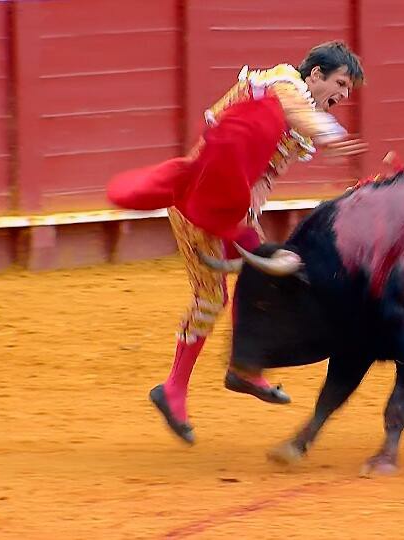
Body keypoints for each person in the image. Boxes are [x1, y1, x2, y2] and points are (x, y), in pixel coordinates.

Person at [106, 40, 367, 444]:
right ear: (316, 75)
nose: (344, 95)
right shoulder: (281, 83)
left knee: (269, 272)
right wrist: (328, 132)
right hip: (198, 202)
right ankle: (174, 388)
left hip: (231, 207)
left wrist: (251, 214)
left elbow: (265, 175)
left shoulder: (300, 124)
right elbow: (294, 111)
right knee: (211, 300)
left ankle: (244, 368)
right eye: (341, 83)